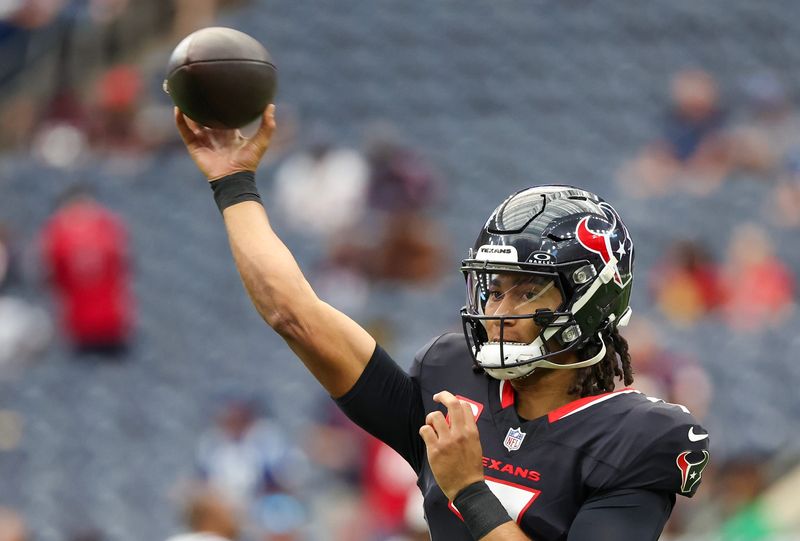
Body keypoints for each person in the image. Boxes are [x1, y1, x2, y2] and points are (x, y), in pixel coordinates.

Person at [175, 106, 711, 541]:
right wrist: (234, 184)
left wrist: (470, 491)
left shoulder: (640, 437)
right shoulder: (449, 382)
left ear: (591, 300)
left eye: (526, 290)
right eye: (495, 290)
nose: (499, 312)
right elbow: (293, 313)